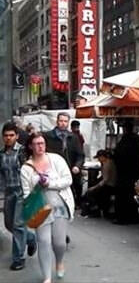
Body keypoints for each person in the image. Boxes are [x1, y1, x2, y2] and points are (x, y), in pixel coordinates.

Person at [21, 133, 75, 283]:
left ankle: (59, 261)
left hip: (59, 205)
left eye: (42, 143)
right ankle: (47, 277)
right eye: (37, 144)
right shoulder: (26, 168)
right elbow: (26, 193)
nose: (40, 146)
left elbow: (68, 179)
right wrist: (37, 187)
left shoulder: (56, 159)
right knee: (43, 241)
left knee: (59, 243)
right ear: (30, 146)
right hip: (40, 208)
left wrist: (49, 183)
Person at [0, 122, 37, 271]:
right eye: (6, 136)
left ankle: (18, 258)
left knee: (17, 224)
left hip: (23, 191)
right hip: (8, 192)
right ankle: (30, 238)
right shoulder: (1, 154)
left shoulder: (23, 152)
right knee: (9, 224)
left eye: (11, 135)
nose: (8, 138)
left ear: (17, 136)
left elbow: (31, 170)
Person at [43, 112, 85, 208]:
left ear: (68, 123)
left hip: (70, 169)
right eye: (61, 121)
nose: (63, 123)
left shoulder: (73, 137)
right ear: (57, 122)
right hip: (53, 170)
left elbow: (80, 155)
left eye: (65, 121)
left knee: (74, 187)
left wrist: (77, 166)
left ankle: (73, 204)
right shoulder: (47, 136)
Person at [113, 119, 139, 224]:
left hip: (124, 172)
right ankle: (132, 216)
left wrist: (114, 154)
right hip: (133, 172)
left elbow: (119, 154)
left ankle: (123, 217)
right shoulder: (136, 139)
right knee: (131, 195)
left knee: (123, 196)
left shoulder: (126, 140)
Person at [83, 149, 117, 218]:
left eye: (99, 158)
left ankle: (95, 210)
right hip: (112, 184)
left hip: (109, 186)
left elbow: (105, 179)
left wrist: (95, 187)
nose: (98, 160)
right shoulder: (110, 162)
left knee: (91, 193)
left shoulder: (107, 165)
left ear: (102, 157)